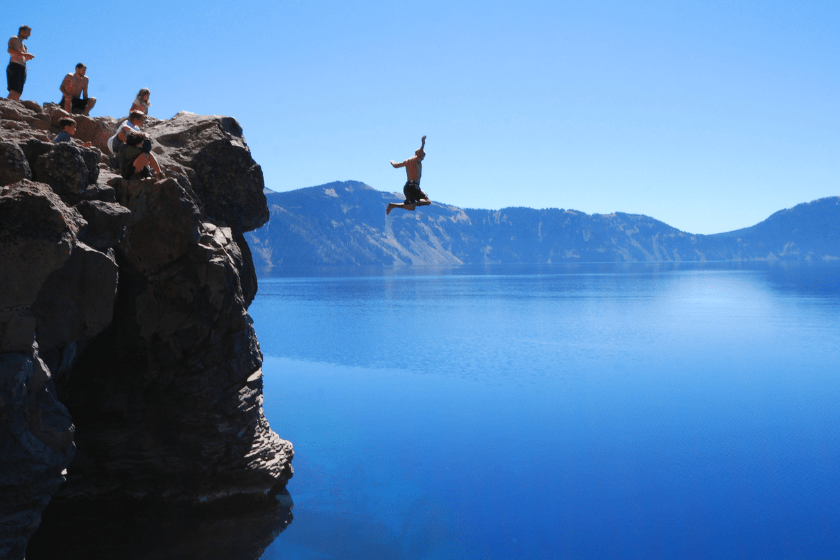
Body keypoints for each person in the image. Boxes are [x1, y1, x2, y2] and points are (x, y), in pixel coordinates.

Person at [386, 135, 430, 215]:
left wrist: (392, 161)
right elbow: (419, 153)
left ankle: (393, 205)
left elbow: (395, 166)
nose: (423, 158)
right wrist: (423, 143)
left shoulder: (407, 162)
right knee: (427, 201)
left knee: (411, 208)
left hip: (408, 187)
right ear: (418, 154)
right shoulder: (415, 159)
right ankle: (415, 202)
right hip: (413, 187)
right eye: (423, 156)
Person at [6, 26, 33, 101]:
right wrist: (24, 55)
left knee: (18, 92)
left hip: (22, 69)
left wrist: (27, 57)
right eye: (28, 32)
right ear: (22, 31)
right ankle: (5, 107)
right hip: (15, 66)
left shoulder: (24, 46)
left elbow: (22, 58)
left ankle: (10, 109)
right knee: (13, 91)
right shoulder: (15, 39)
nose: (29, 35)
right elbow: (10, 51)